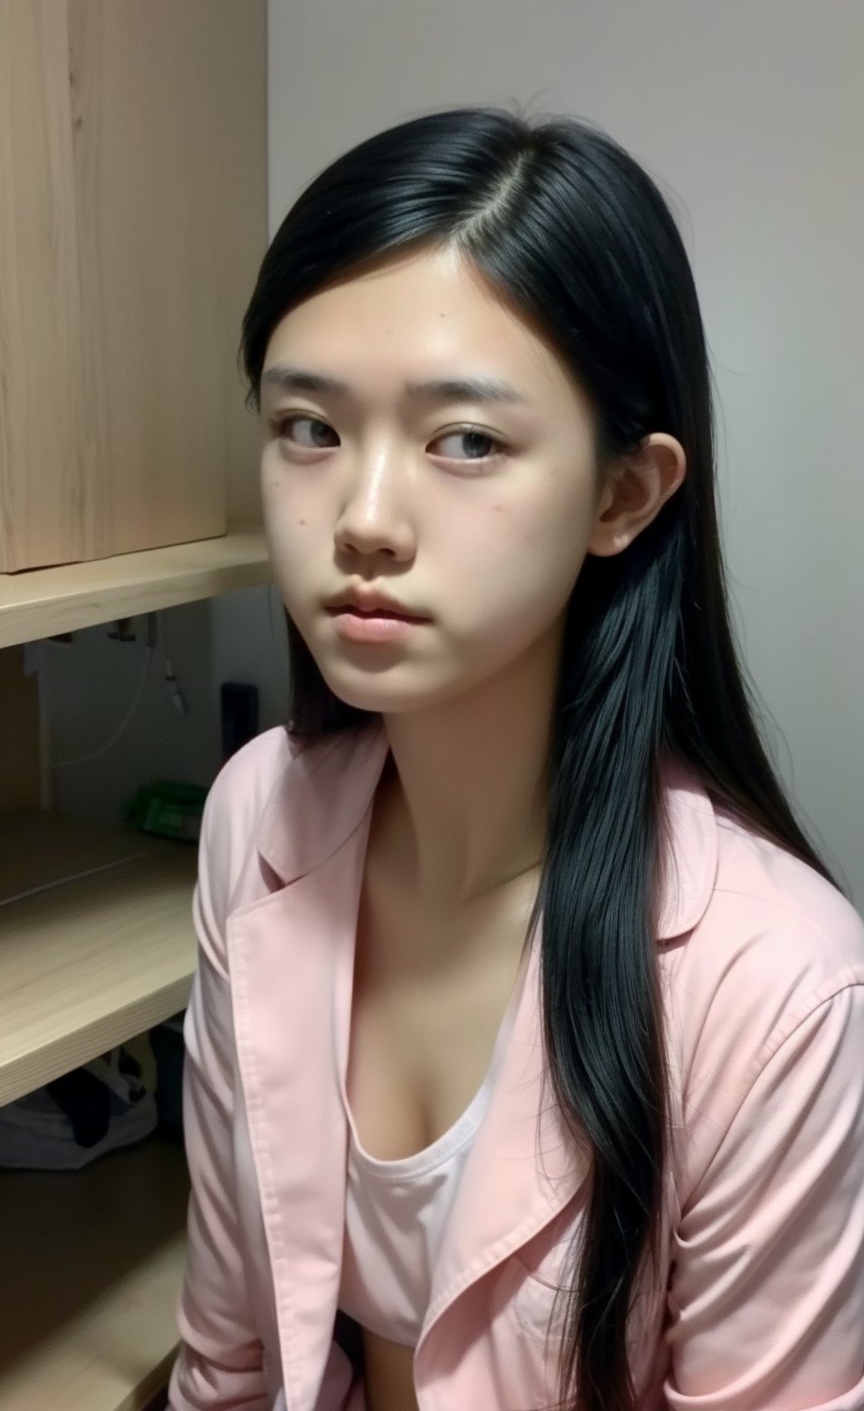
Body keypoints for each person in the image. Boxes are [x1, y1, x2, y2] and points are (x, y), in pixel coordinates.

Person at [167, 107, 864, 1411]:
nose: (364, 520)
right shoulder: (254, 811)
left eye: (466, 442)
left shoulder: (778, 983)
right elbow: (229, 1359)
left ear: (624, 497)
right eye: (308, 427)